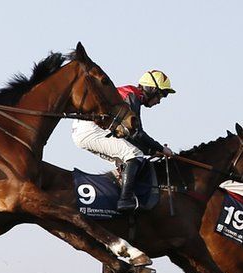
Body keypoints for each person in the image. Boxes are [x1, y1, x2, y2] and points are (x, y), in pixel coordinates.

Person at [72, 69, 175, 212]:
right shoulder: (131, 97)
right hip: (91, 130)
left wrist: (153, 150)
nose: (159, 101)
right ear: (150, 89)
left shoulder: (132, 96)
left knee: (127, 158)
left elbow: (134, 136)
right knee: (134, 154)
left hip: (86, 130)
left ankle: (119, 195)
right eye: (161, 95)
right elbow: (136, 134)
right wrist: (160, 149)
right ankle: (125, 200)